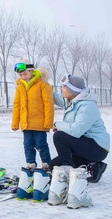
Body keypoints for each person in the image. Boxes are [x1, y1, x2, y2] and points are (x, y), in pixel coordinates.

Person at [47, 75, 109, 208]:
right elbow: (55, 97)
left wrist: (57, 124)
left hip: (98, 147)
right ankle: (95, 167)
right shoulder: (72, 101)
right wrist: (41, 82)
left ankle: (69, 171)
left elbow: (76, 130)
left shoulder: (87, 106)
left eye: (65, 87)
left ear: (73, 90)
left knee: (59, 136)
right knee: (53, 166)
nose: (62, 89)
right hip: (84, 145)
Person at [11, 59, 54, 202]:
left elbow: (49, 105)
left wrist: (48, 122)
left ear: (31, 71)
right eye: (20, 75)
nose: (22, 77)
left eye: (24, 74)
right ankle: (31, 164)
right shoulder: (19, 87)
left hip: (39, 123)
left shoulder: (43, 85)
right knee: (28, 145)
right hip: (26, 124)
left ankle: (46, 165)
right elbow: (16, 105)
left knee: (41, 145)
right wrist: (15, 122)